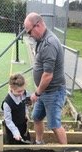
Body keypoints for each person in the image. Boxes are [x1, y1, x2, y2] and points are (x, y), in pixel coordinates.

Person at [24, 12, 67, 144]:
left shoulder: (49, 43)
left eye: (29, 31)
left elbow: (48, 75)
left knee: (54, 124)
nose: (29, 35)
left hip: (53, 91)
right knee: (36, 117)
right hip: (44, 91)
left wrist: (37, 93)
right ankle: (39, 142)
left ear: (37, 26)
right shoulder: (42, 40)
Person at [1, 74, 31, 144]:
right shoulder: (7, 103)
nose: (21, 93)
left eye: (22, 90)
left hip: (23, 125)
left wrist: (26, 113)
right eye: (18, 91)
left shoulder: (25, 94)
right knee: (14, 147)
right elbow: (8, 121)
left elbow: (26, 105)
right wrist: (15, 132)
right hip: (12, 129)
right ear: (11, 88)